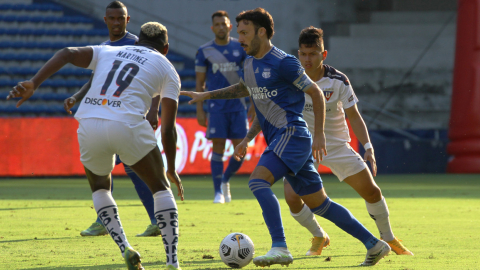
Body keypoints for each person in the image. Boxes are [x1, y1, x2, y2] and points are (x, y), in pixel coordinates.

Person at [181, 7, 390, 267]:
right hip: (282, 137)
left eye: (244, 33)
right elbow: (247, 91)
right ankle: (374, 243)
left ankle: (280, 246)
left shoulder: (284, 62)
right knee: (320, 204)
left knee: (258, 182)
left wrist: (319, 137)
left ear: (261, 32)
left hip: (292, 133)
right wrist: (208, 98)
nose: (240, 38)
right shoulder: (249, 63)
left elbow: (315, 93)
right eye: (239, 32)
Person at [8, 22, 184, 270]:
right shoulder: (168, 69)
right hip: (128, 124)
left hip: (89, 122)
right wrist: (172, 168)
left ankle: (125, 247)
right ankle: (172, 262)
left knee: (101, 188)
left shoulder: (108, 51)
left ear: (136, 41)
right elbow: (167, 128)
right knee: (160, 189)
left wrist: (35, 82)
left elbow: (67, 53)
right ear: (165, 48)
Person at [285, 26, 414, 257]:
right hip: (304, 147)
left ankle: (389, 238)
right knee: (292, 197)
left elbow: (354, 115)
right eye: (303, 54)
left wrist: (368, 147)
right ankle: (319, 235)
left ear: (323, 55)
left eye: (313, 54)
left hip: (335, 145)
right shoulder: (291, 79)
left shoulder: (338, 81)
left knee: (372, 192)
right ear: (298, 53)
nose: (307, 59)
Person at [64, 1, 161, 237]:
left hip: (129, 117)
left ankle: (154, 219)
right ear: (105, 20)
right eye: (112, 18)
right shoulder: (104, 47)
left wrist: (154, 109)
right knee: (105, 167)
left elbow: (158, 75)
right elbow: (96, 80)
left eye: (121, 18)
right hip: (106, 115)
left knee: (132, 168)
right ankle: (108, 220)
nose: (117, 22)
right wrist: (76, 97)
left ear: (128, 20)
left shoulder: (138, 44)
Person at [195, 10, 254, 204]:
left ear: (230, 27)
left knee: (241, 149)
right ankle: (218, 191)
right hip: (216, 107)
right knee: (218, 146)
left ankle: (225, 179)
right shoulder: (204, 51)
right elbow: (200, 83)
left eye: (224, 24)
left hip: (238, 106)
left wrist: (253, 103)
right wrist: (200, 109)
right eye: (217, 24)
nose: (221, 27)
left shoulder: (242, 47)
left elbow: (251, 78)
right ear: (213, 28)